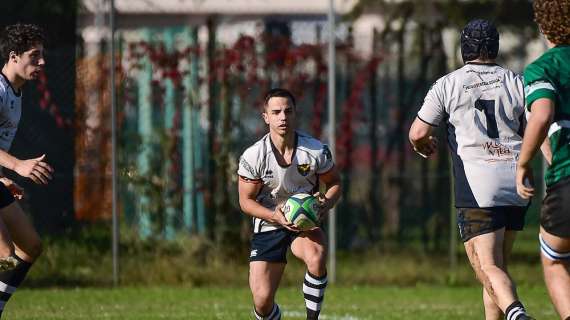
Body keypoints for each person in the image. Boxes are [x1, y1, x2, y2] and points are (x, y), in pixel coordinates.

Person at [409, 19, 533, 320]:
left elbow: (417, 132)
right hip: (516, 183)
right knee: (498, 269)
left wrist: (422, 145)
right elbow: (535, 125)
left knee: (487, 268)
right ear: (495, 46)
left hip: (479, 187)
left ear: (464, 47)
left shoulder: (449, 83)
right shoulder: (516, 81)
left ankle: (517, 315)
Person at [237, 88, 341, 320]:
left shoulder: (314, 150)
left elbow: (334, 183)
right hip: (269, 222)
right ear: (266, 117)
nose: (283, 117)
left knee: (316, 255)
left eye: (288, 111)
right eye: (276, 112)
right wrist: (274, 216)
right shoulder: (254, 156)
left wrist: (327, 201)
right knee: (262, 302)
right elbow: (245, 201)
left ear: (295, 114)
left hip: (304, 222)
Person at [516, 1, 570, 319]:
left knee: (554, 260)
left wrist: (523, 164)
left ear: (544, 25)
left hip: (566, 179)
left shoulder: (543, 67)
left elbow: (542, 114)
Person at [0, 23, 54, 317]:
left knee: (30, 247)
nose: (42, 62)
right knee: (5, 258)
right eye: (35, 56)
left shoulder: (15, 93)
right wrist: (18, 165)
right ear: (14, 56)